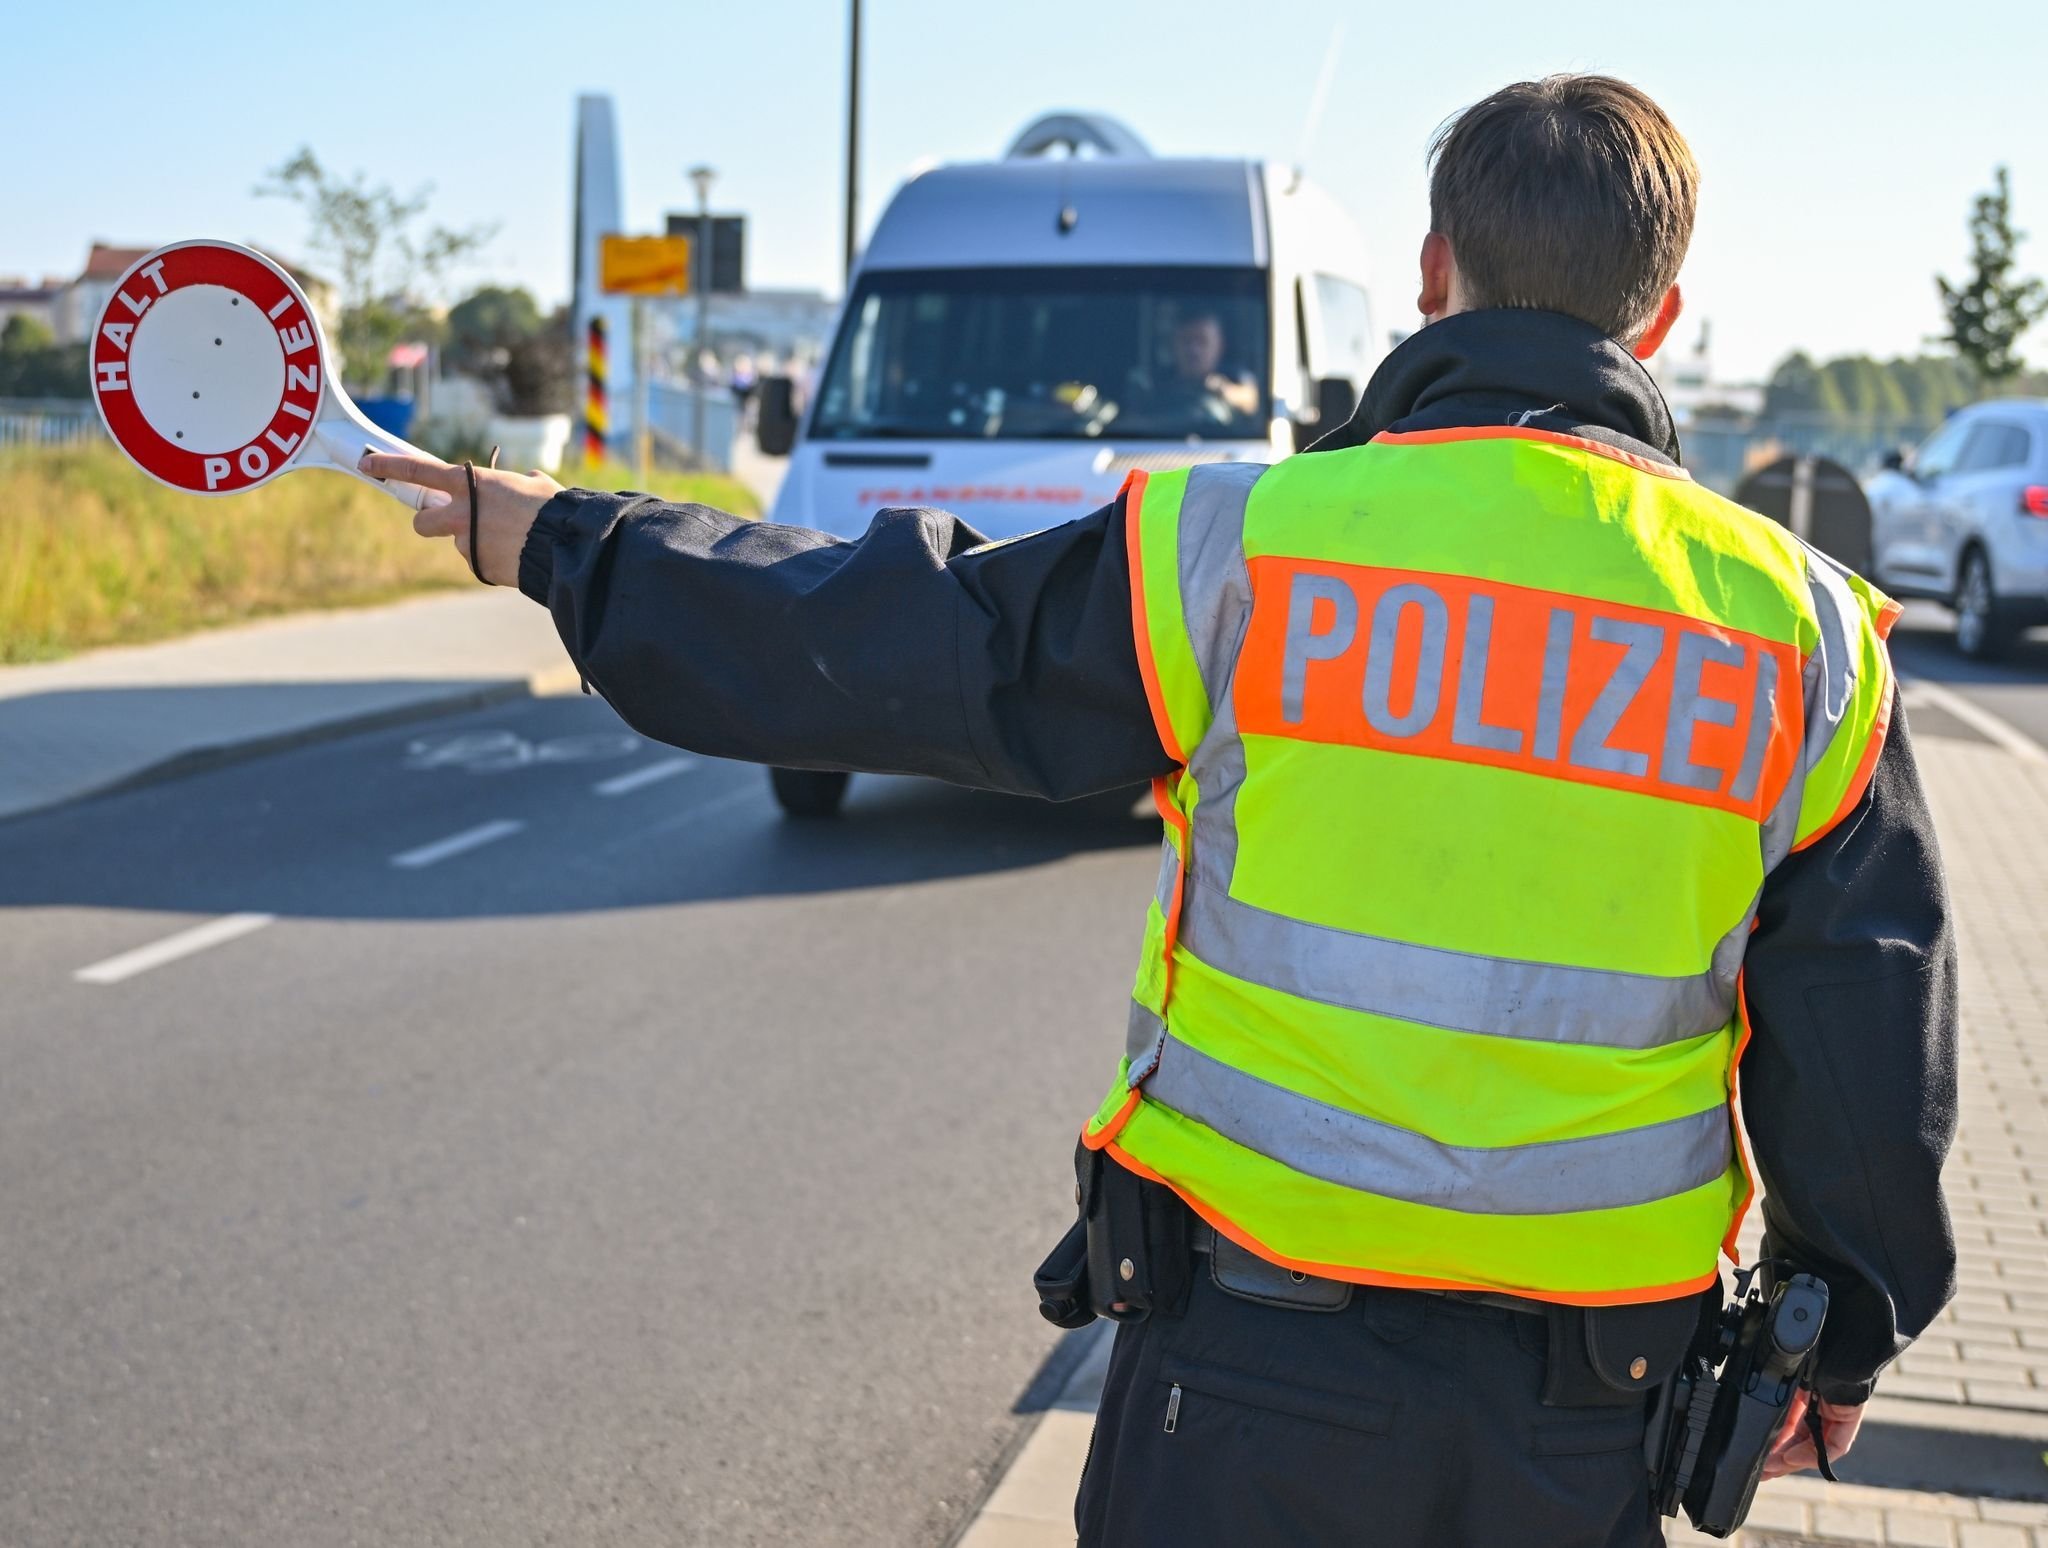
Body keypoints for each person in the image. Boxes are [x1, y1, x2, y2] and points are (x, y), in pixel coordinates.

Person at [365, 73, 1957, 1548]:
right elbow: (1868, 1040)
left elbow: (895, 647)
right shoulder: (1802, 640)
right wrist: (1849, 1322)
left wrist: (574, 544)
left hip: (1245, 1379)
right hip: (1586, 1418)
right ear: (1663, 316)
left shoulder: (1246, 546)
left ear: (1431, 269)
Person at [1126, 308, 1261, 428]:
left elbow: (1255, 402)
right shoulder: (1154, 383)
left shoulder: (1236, 376)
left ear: (1220, 345)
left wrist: (1224, 391)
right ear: (1173, 344)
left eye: (1202, 341)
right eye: (1186, 341)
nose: (1194, 350)